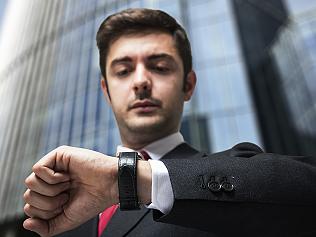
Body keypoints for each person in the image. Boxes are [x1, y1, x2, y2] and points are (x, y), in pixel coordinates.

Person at [23, 8, 316, 237]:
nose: (140, 81)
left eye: (160, 67)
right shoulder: (67, 211)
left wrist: (128, 179)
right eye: (123, 71)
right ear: (106, 91)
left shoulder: (234, 171)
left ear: (188, 85)